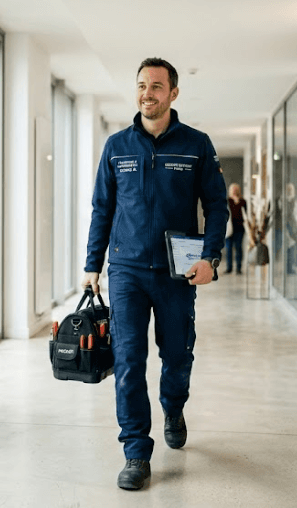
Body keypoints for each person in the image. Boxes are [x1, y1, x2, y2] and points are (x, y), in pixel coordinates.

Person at [82, 57, 228, 491]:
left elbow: (216, 205)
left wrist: (211, 257)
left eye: (157, 86)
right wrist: (92, 264)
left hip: (176, 274)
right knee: (129, 361)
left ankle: (173, 406)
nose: (148, 93)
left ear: (173, 93)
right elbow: (102, 209)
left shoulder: (196, 145)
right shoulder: (117, 146)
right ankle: (135, 452)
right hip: (126, 270)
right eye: (142, 85)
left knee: (177, 357)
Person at [224, 183, 247, 274]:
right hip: (229, 229)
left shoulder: (243, 202)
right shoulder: (227, 201)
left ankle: (238, 268)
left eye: (235, 189)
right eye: (232, 189)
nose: (234, 191)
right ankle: (229, 268)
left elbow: (245, 214)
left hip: (239, 229)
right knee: (228, 249)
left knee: (238, 248)